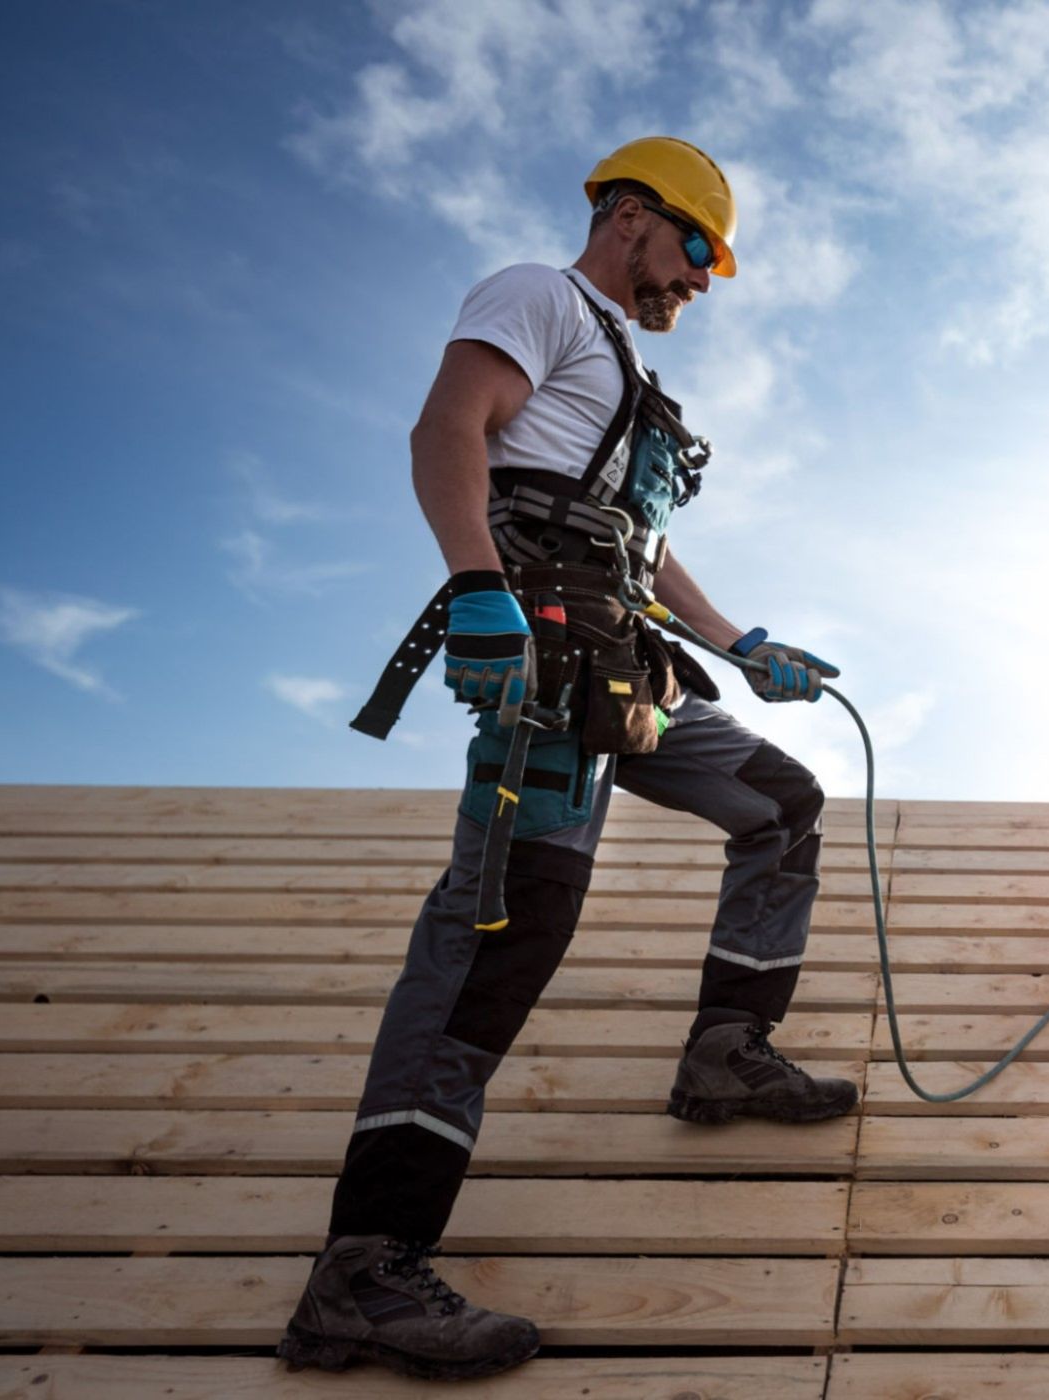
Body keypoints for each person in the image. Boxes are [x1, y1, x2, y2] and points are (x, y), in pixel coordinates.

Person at [278, 135, 857, 1384]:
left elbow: (633, 550)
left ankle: (723, 1051)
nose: (700, 278)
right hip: (541, 663)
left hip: (622, 666)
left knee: (782, 802)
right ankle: (364, 1266)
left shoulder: (624, 368)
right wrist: (475, 585)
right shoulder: (538, 295)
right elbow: (448, 429)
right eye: (696, 247)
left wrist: (737, 640)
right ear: (632, 217)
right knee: (505, 922)